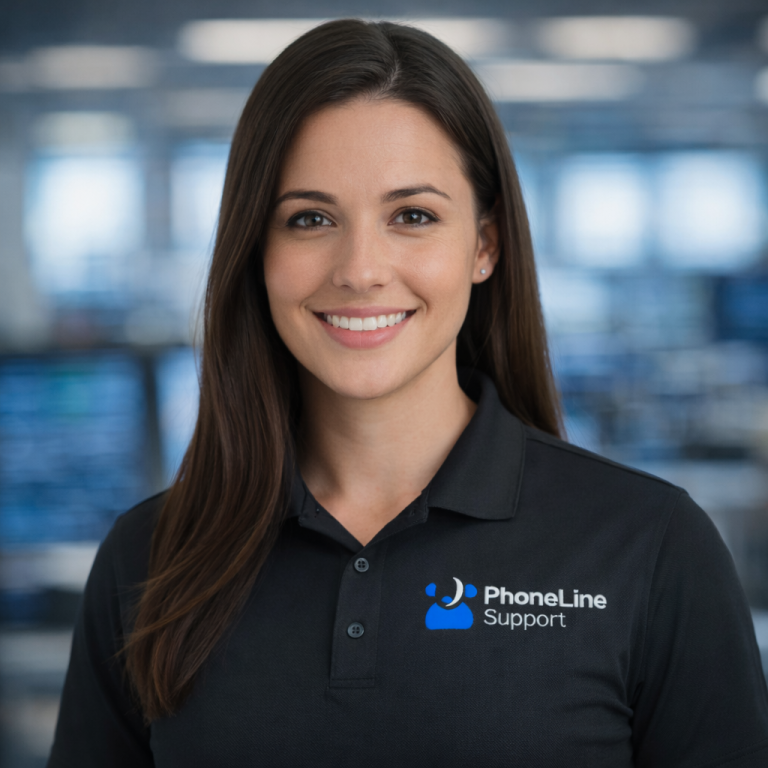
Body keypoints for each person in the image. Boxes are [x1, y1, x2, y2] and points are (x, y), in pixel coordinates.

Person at [48, 19, 768, 768]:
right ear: (256, 251)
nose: (361, 269)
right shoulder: (150, 559)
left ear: (484, 246)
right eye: (311, 218)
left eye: (413, 216)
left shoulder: (650, 547)